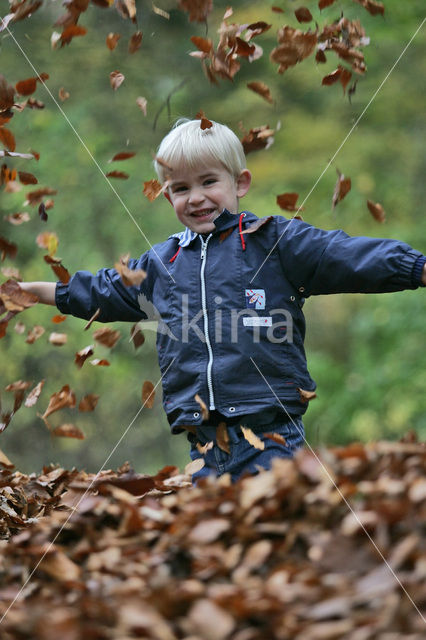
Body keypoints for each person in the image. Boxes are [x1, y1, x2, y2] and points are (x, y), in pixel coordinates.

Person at [20, 118, 426, 482]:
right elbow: (103, 291)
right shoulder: (163, 264)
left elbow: (348, 256)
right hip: (203, 443)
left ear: (240, 183)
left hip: (271, 432)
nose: (195, 197)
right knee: (221, 545)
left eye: (208, 182)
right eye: (181, 188)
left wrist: (415, 267)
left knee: (272, 532)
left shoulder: (273, 241)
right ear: (168, 197)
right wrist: (37, 292)